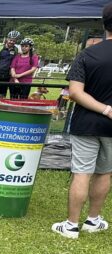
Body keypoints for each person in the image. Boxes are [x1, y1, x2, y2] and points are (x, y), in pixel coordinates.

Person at [51, 3, 112, 239]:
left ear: (103, 23)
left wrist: (105, 109)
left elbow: (75, 92)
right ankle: (93, 220)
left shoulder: (87, 54)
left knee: (82, 173)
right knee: (105, 173)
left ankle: (71, 225)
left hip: (85, 123)